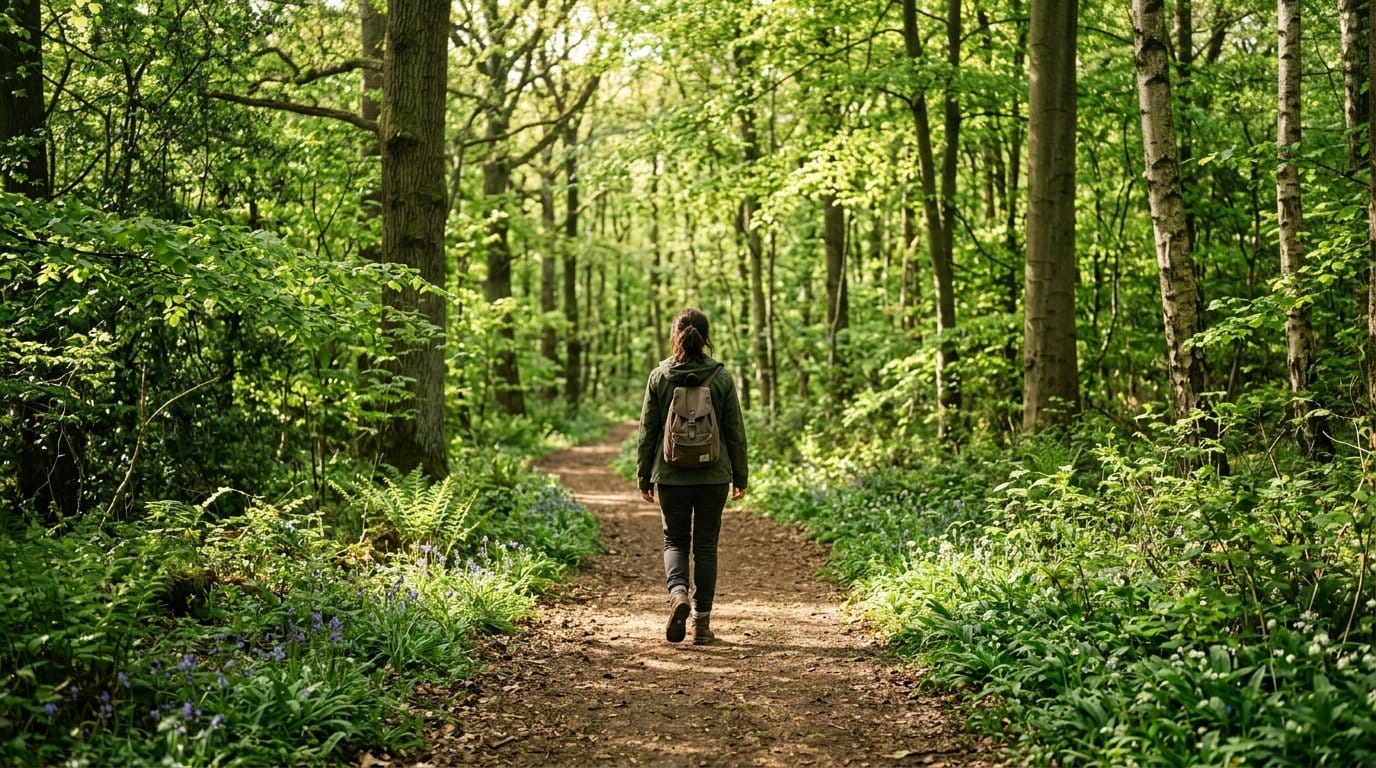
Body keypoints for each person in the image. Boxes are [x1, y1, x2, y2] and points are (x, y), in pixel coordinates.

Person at [637, 308, 748, 645]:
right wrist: (740, 476)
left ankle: (679, 594)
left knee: (674, 540)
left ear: (676, 335)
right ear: (706, 336)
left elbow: (648, 431)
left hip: (671, 474)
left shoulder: (660, 376)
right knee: (705, 547)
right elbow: (734, 431)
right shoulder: (721, 377)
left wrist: (645, 477)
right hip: (713, 475)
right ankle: (701, 624)